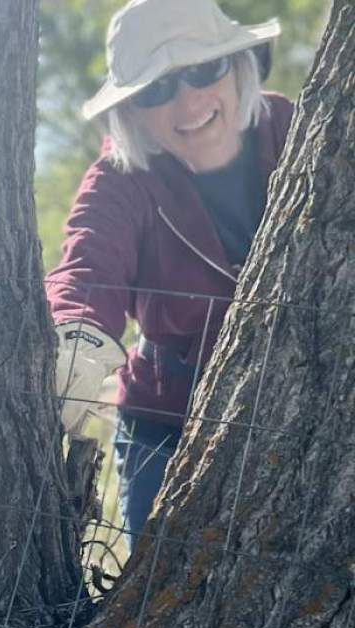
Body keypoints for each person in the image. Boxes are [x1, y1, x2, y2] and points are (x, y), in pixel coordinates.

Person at [48, 0, 290, 546]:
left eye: (204, 70)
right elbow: (87, 265)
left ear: (239, 66)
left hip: (299, 408)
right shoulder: (121, 178)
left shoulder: (298, 132)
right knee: (155, 590)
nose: (188, 101)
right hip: (170, 422)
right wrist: (74, 345)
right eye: (157, 90)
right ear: (132, 111)